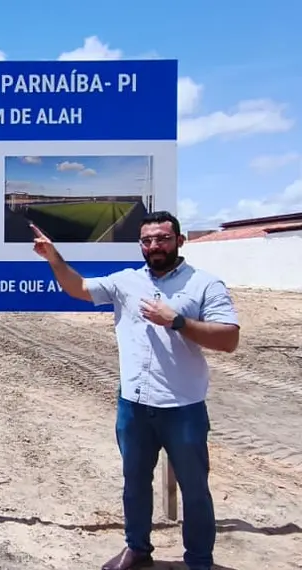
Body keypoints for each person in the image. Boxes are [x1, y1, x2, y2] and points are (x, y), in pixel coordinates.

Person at [30, 210, 240, 570]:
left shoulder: (205, 284)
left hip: (183, 407)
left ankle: (199, 561)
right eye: (148, 240)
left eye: (162, 238)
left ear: (179, 241)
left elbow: (229, 339)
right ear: (140, 245)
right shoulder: (125, 281)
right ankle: (137, 548)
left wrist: (176, 321)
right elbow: (79, 288)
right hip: (135, 406)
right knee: (135, 484)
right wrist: (55, 258)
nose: (155, 245)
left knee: (195, 491)